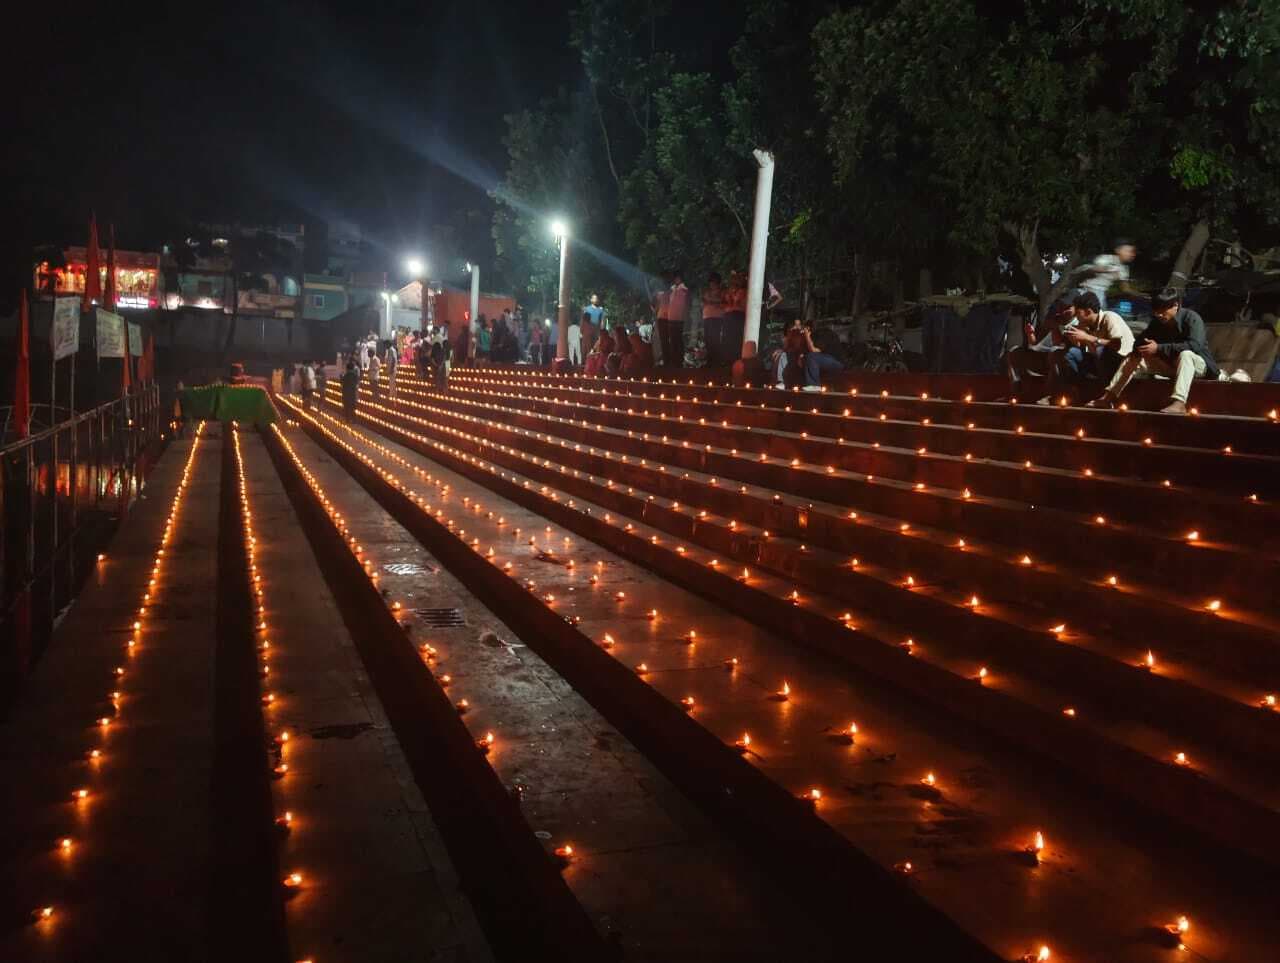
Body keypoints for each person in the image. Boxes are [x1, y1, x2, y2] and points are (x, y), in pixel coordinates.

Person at [1091, 288, 1218, 413]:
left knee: (1186, 354)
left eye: (1163, 310)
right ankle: (1108, 398)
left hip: (1197, 366)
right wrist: (1142, 347)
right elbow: (1139, 342)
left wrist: (1159, 348)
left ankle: (1179, 402)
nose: (1159, 315)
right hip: (1171, 366)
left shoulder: (1191, 318)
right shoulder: (1157, 322)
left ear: (1175, 305)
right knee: (1133, 357)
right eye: (1157, 311)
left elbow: (1194, 345)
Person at [1054, 292, 1134, 398]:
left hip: (1122, 362)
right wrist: (1075, 339)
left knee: (1101, 350)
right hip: (1100, 361)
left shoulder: (1109, 317)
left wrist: (1087, 337)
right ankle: (1078, 391)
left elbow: (1116, 344)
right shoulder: (1087, 325)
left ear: (1088, 312)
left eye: (1078, 313)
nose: (1076, 317)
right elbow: (1085, 349)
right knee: (1071, 353)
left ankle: (1106, 395)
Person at [1005, 302, 1076, 402]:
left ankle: (1050, 395)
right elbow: (1035, 343)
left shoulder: (1077, 322)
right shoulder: (1054, 318)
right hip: (1043, 357)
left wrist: (1055, 328)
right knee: (1014, 352)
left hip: (1061, 361)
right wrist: (1030, 333)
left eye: (1068, 308)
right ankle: (1016, 390)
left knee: (1054, 352)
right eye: (1061, 307)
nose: (1064, 311)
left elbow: (1060, 346)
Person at [1077, 239, 1136, 312]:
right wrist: (1107, 269)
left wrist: (1142, 295)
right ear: (1118, 250)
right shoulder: (1106, 258)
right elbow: (1091, 270)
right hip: (1087, 290)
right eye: (1127, 251)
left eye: (1132, 252)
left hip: (1101, 293)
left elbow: (1125, 289)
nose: (1131, 254)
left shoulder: (1123, 269)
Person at [801, 322, 844, 391]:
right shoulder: (815, 335)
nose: (803, 331)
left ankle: (814, 385)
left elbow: (814, 350)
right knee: (808, 357)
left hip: (836, 362)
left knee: (812, 356)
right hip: (826, 359)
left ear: (808, 328)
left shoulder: (824, 333)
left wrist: (807, 336)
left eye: (804, 329)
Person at [662, 269, 689, 368]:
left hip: (678, 319)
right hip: (671, 318)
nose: (675, 279)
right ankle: (674, 361)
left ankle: (679, 360)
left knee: (678, 340)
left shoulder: (684, 289)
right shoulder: (672, 290)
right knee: (672, 340)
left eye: (676, 278)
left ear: (680, 278)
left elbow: (684, 305)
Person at [701, 273, 726, 366]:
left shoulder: (722, 292)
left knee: (714, 340)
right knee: (708, 340)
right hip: (707, 317)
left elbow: (723, 303)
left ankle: (716, 361)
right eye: (711, 282)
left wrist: (711, 302)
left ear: (717, 282)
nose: (711, 284)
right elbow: (703, 302)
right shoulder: (707, 292)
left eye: (713, 282)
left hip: (716, 318)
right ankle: (710, 360)